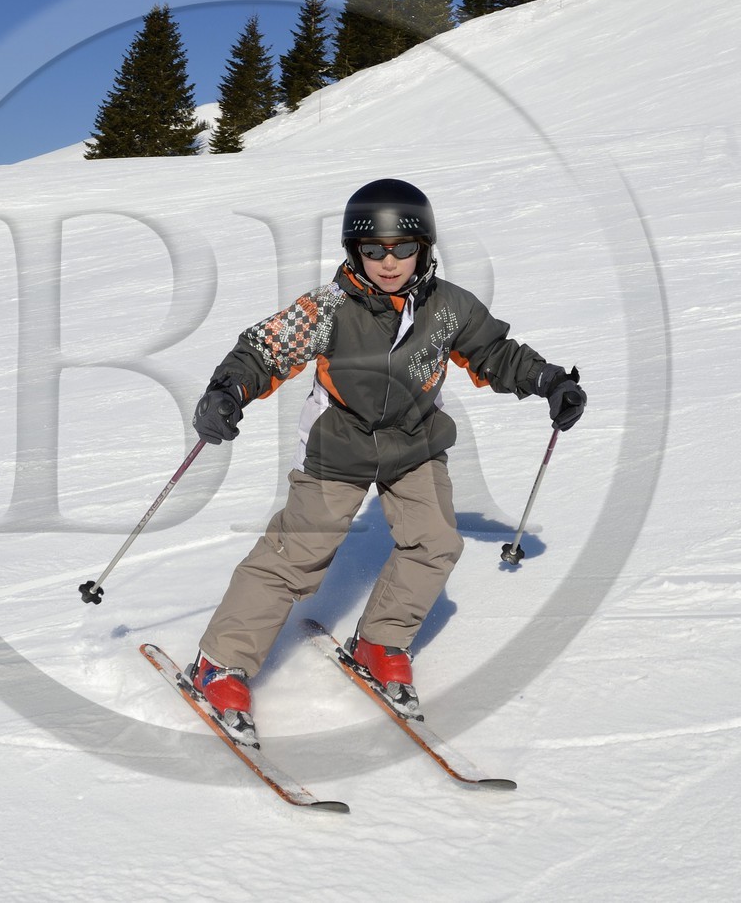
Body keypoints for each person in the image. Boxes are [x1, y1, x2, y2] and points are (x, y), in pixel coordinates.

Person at [186, 178, 586, 740]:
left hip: (413, 442)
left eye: (403, 248)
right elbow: (264, 348)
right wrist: (227, 391)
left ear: (424, 248)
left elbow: (493, 352)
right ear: (355, 252)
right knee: (298, 553)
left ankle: (379, 642)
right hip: (338, 445)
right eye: (374, 250)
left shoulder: (448, 307)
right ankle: (219, 663)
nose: (389, 261)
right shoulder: (329, 308)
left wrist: (547, 381)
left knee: (436, 541)